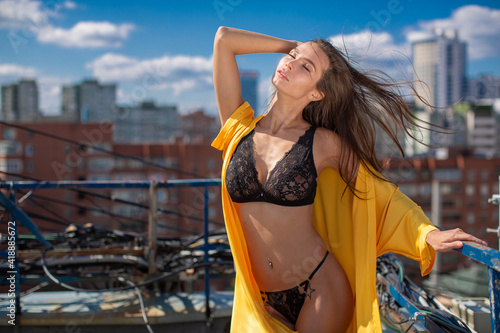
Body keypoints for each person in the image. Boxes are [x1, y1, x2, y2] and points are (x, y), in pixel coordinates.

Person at [211, 26, 487, 333]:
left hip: (318, 289)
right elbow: (224, 39)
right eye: (292, 57)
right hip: (258, 298)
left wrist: (426, 233)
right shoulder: (238, 128)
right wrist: (293, 44)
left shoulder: (323, 143)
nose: (290, 61)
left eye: (306, 66)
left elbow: (378, 192)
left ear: (316, 93)